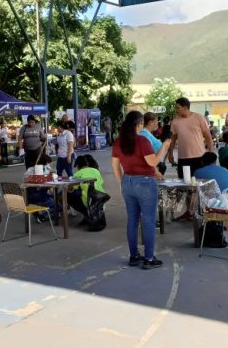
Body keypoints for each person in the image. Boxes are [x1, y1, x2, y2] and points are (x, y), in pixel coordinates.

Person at [111, 111, 170, 270]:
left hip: (127, 182)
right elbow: (153, 162)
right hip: (145, 182)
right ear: (138, 124)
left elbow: (115, 166)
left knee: (132, 220)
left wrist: (122, 182)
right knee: (148, 220)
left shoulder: (118, 142)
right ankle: (149, 258)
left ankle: (134, 256)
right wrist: (164, 147)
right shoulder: (142, 141)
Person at [167, 98, 214, 220]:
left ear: (185, 107)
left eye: (178, 107)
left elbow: (208, 137)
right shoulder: (175, 121)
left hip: (199, 157)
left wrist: (211, 153)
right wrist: (170, 153)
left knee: (200, 185)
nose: (176, 110)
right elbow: (173, 138)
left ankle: (202, 210)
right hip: (183, 158)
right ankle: (190, 212)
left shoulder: (199, 118)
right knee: (186, 186)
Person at [67, 155, 106, 222]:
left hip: (89, 202)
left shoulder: (77, 174)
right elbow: (101, 182)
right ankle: (89, 214)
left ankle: (86, 213)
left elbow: (72, 189)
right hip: (101, 201)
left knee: (68, 196)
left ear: (78, 166)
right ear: (87, 163)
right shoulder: (96, 171)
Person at [140, 112, 167, 176]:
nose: (157, 123)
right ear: (151, 123)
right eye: (156, 121)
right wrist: (155, 170)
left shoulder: (147, 133)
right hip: (150, 169)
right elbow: (146, 155)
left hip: (155, 166)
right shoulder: (145, 134)